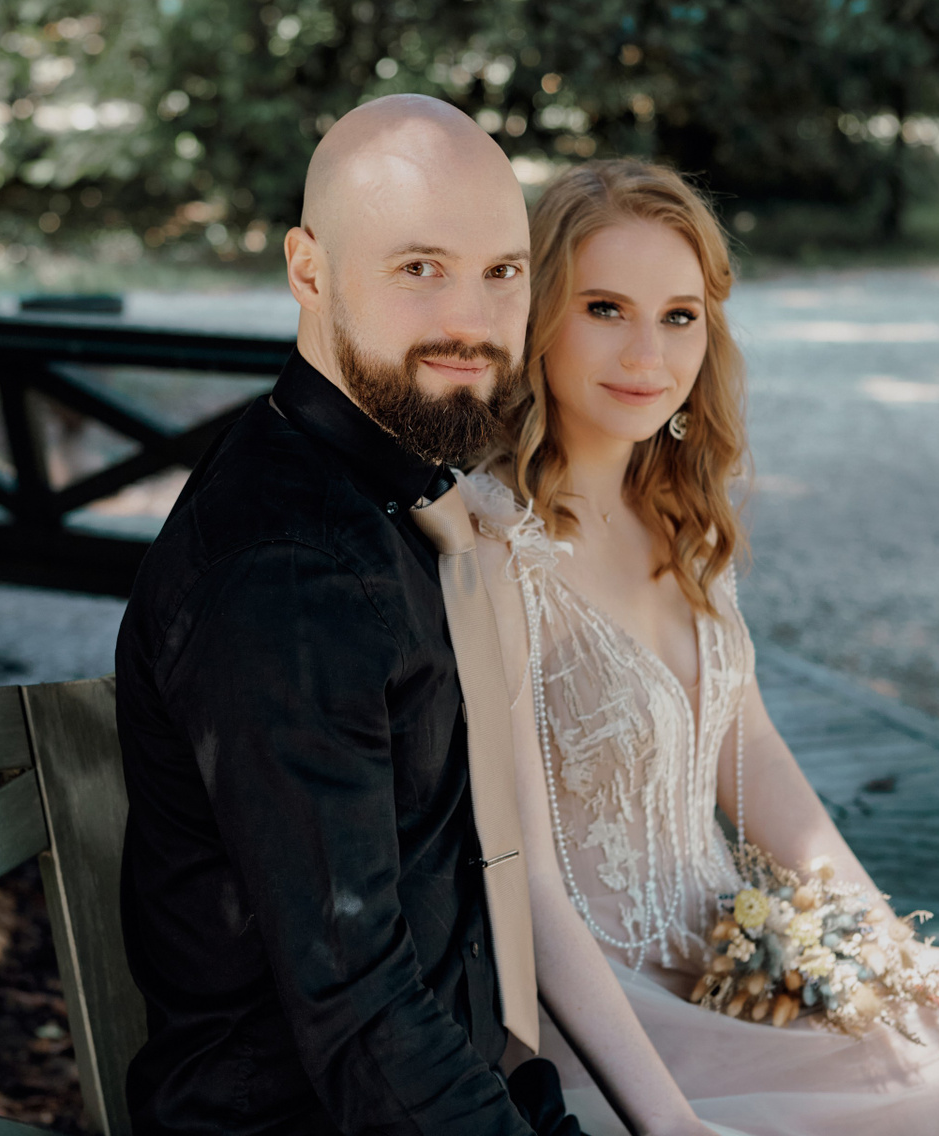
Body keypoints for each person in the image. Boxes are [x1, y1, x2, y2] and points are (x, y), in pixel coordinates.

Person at [464, 158, 939, 1135]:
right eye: (605, 308)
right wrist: (669, 1123)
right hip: (610, 1019)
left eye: (679, 315)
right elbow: (526, 880)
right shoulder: (496, 548)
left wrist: (900, 955)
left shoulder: (677, 518)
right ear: (538, 317)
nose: (647, 352)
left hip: (736, 962)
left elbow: (755, 753)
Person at [114, 95, 579, 1135]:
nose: (472, 320)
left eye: (502, 272)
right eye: (420, 268)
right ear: (308, 270)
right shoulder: (291, 574)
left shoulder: (383, 494)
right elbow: (366, 1023)